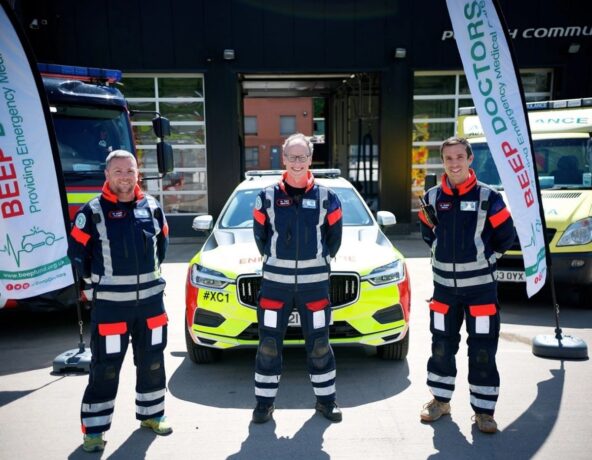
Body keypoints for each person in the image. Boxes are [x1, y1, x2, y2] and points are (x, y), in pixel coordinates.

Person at [68, 150, 171, 452]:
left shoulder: (152, 207)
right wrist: (91, 286)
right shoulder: (92, 211)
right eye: (118, 171)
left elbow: (162, 245)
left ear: (138, 173)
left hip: (151, 305)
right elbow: (77, 254)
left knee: (153, 361)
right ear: (107, 175)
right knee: (106, 368)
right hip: (111, 308)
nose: (125, 177)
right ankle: (94, 431)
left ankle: (152, 415)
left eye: (130, 171)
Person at [417, 137, 515, 434]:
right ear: (443, 162)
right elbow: (427, 233)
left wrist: (488, 258)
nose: (454, 163)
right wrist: (440, 252)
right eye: (448, 158)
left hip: (481, 290)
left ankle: (484, 412)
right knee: (441, 346)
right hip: (444, 290)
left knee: (482, 350)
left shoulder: (489, 197)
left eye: (460, 156)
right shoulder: (432, 197)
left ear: (470, 159)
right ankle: (440, 401)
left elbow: (506, 235)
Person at [251, 133, 343, 424]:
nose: (297, 162)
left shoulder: (328, 197)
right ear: (284, 158)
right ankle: (264, 404)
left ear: (310, 159)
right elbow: (260, 237)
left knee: (319, 344)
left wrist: (318, 263)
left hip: (314, 287)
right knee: (268, 345)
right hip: (274, 286)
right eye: (292, 157)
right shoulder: (266, 197)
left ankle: (326, 402)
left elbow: (334, 239)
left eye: (303, 156)